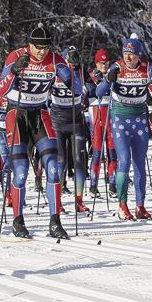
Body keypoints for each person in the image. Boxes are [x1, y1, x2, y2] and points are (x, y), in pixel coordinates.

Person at [0, 23, 82, 238]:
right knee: (20, 170)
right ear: (29, 45)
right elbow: (0, 90)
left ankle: (55, 222)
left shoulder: (54, 60)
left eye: (45, 47)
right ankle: (18, 220)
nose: (41, 51)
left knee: (53, 167)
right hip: (15, 114)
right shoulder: (16, 55)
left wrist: (75, 69)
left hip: (40, 114)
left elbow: (77, 89)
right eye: (37, 47)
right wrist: (15, 70)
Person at [96, 34, 152, 220]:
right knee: (124, 160)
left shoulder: (147, 69)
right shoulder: (117, 67)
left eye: (132, 54)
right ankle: (122, 205)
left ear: (139, 55)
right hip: (120, 119)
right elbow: (98, 93)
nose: (128, 58)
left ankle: (140, 206)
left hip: (139, 119)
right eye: (125, 53)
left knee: (139, 164)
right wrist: (108, 80)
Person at [49, 46, 88, 214]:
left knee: (80, 162)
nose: (71, 63)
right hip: (57, 122)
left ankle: (79, 201)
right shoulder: (55, 71)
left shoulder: (79, 71)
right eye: (68, 60)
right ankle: (57, 202)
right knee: (60, 163)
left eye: (74, 60)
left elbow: (91, 88)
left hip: (76, 120)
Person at [85, 48, 117, 198]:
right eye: (101, 63)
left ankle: (112, 184)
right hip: (96, 114)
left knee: (112, 151)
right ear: (96, 63)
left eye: (106, 62)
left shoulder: (112, 75)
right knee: (97, 152)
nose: (104, 65)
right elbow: (91, 91)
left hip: (111, 115)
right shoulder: (90, 75)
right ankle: (93, 185)